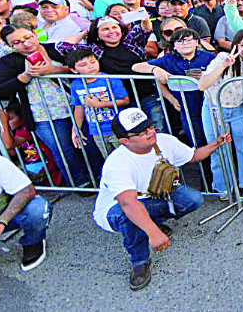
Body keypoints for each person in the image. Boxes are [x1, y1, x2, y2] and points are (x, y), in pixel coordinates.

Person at [92, 107, 231, 290]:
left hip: (152, 197)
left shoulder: (164, 141)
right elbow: (128, 203)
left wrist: (216, 143)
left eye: (149, 126)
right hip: (117, 209)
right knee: (129, 216)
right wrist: (153, 233)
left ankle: (151, 221)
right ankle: (139, 261)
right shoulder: (117, 163)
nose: (150, 132)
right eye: (142, 132)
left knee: (193, 199)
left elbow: (193, 156)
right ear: (125, 141)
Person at [0, 24, 89, 187]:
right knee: (62, 148)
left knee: (88, 142)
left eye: (28, 37)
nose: (25, 43)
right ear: (10, 46)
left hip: (76, 104)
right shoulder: (8, 61)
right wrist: (25, 76)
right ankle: (80, 182)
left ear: (35, 34)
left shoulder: (55, 48)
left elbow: (82, 66)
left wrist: (54, 70)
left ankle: (98, 176)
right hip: (42, 113)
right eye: (17, 42)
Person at [197, 29, 243, 199]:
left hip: (238, 108)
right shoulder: (221, 57)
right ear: (235, 45)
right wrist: (224, 65)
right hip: (213, 107)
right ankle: (223, 185)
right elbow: (202, 85)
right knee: (217, 147)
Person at [0, 154, 51, 276]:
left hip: (11, 216)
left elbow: (26, 191)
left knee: (38, 208)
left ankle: (33, 242)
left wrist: (0, 222)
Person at [67, 49, 130, 160]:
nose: (90, 66)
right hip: (96, 130)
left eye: (93, 62)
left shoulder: (110, 79)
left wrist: (100, 104)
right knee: (110, 159)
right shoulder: (75, 85)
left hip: (117, 128)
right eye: (83, 65)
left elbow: (125, 100)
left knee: (127, 157)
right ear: (74, 70)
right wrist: (76, 128)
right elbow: (78, 107)